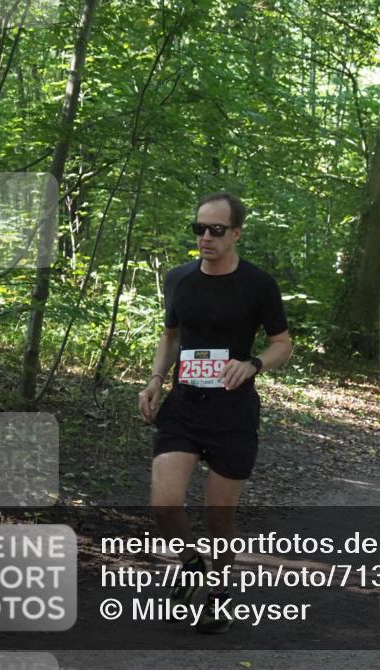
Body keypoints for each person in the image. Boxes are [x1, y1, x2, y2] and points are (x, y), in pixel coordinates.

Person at [138, 192, 293, 634]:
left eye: (216, 230)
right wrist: (154, 379)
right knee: (164, 504)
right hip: (184, 404)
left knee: (218, 518)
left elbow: (283, 343)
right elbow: (170, 335)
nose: (205, 237)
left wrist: (253, 364)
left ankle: (220, 593)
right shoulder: (179, 279)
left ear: (236, 233)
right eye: (199, 229)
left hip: (233, 412)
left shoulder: (258, 284)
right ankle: (192, 567)